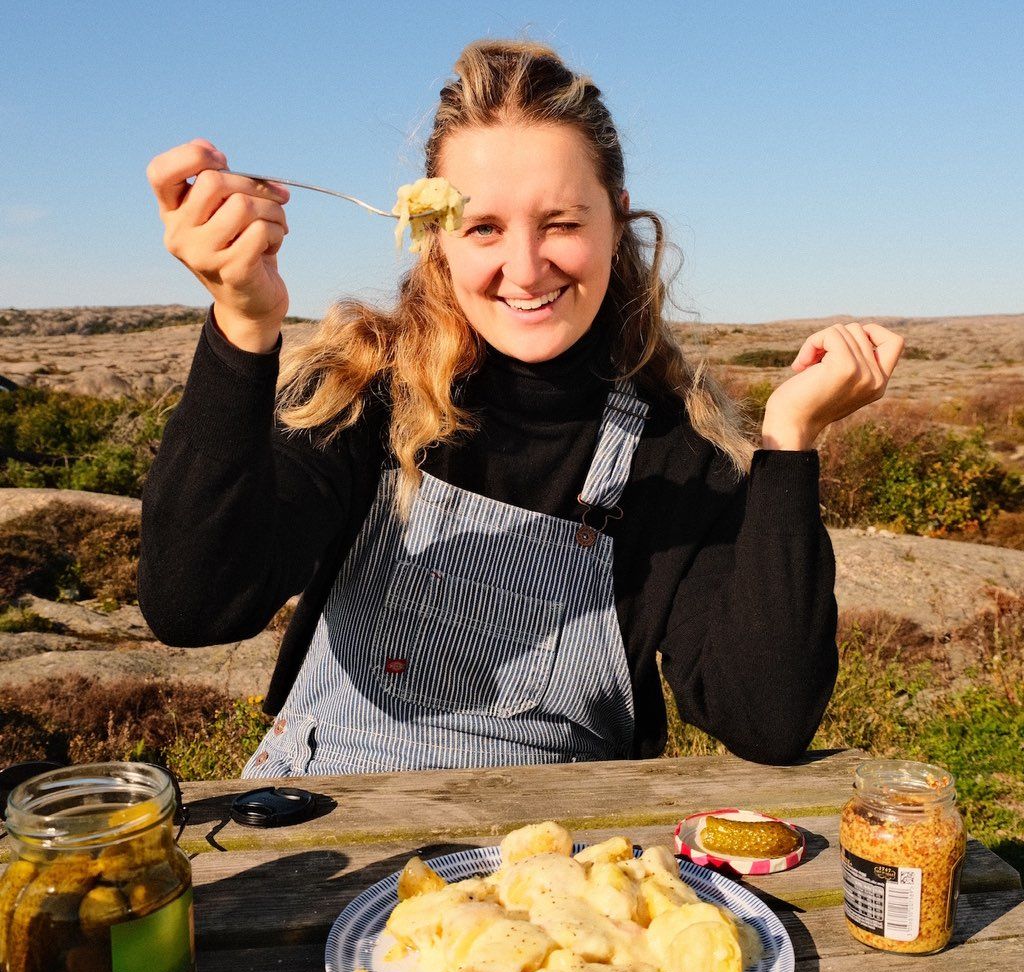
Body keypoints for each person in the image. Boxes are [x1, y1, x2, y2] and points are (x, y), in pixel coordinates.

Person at [139, 39, 903, 777]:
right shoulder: (361, 392)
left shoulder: (679, 448)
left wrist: (790, 442)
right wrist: (243, 327)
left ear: (618, 219)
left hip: (559, 875)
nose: (525, 268)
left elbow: (766, 718)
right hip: (324, 839)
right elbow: (195, 608)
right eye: (484, 228)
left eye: (562, 223)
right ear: (437, 234)